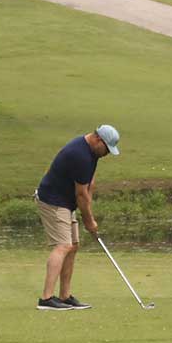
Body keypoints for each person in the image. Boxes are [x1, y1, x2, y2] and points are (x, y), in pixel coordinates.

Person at [35, 124, 119, 311]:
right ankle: (46, 299)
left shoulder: (92, 152)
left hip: (65, 202)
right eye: (106, 149)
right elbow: (81, 194)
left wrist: (89, 204)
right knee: (64, 245)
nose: (106, 154)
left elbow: (89, 183)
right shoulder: (79, 155)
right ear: (98, 139)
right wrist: (89, 220)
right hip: (53, 201)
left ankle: (64, 296)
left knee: (73, 246)